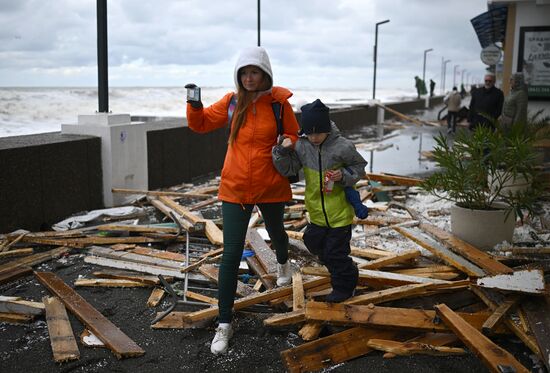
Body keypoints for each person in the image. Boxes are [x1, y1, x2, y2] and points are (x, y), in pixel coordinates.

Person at [185, 46, 300, 355]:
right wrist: (193, 104)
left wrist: (289, 141)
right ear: (239, 76)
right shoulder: (232, 102)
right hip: (235, 186)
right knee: (231, 253)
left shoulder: (278, 104)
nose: (249, 78)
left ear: (265, 74)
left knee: (276, 233)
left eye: (255, 72)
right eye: (244, 72)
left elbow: (294, 133)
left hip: (270, 182)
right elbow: (200, 123)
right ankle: (224, 323)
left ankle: (284, 265)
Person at [272, 99, 367, 303]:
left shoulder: (343, 146)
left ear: (327, 129)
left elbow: (359, 168)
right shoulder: (303, 147)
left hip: (339, 214)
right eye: (310, 133)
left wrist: (343, 175)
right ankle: (344, 268)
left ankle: (344, 287)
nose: (314, 137)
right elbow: (288, 169)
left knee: (335, 253)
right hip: (316, 212)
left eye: (318, 133)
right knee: (311, 242)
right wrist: (281, 151)